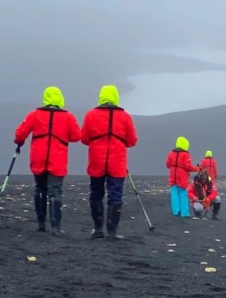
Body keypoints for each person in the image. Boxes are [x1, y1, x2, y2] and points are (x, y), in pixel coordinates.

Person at [12, 85, 82, 235]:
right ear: (60, 99)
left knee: (40, 189)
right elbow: (76, 136)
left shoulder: (35, 115)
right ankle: (55, 227)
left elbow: (20, 133)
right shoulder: (68, 117)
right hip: (57, 159)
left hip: (38, 157)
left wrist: (20, 142)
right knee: (55, 191)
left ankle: (41, 224)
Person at [80, 84, 139, 240]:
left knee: (96, 194)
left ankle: (98, 229)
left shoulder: (90, 115)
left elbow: (84, 138)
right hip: (117, 162)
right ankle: (112, 232)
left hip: (96, 160)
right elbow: (132, 140)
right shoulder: (125, 116)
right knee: (115, 196)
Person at [166, 137, 198, 217]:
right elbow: (188, 166)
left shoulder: (171, 153)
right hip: (182, 177)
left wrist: (174, 167)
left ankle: (176, 212)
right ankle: (184, 213)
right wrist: (197, 169)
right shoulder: (185, 154)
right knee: (183, 194)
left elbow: (167, 164)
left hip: (173, 176)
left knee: (174, 194)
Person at [200, 150, 222, 218]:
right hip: (211, 177)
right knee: (212, 188)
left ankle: (207, 199)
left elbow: (201, 169)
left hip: (205, 177)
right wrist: (216, 175)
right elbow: (215, 169)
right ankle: (210, 199)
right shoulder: (213, 161)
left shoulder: (203, 161)